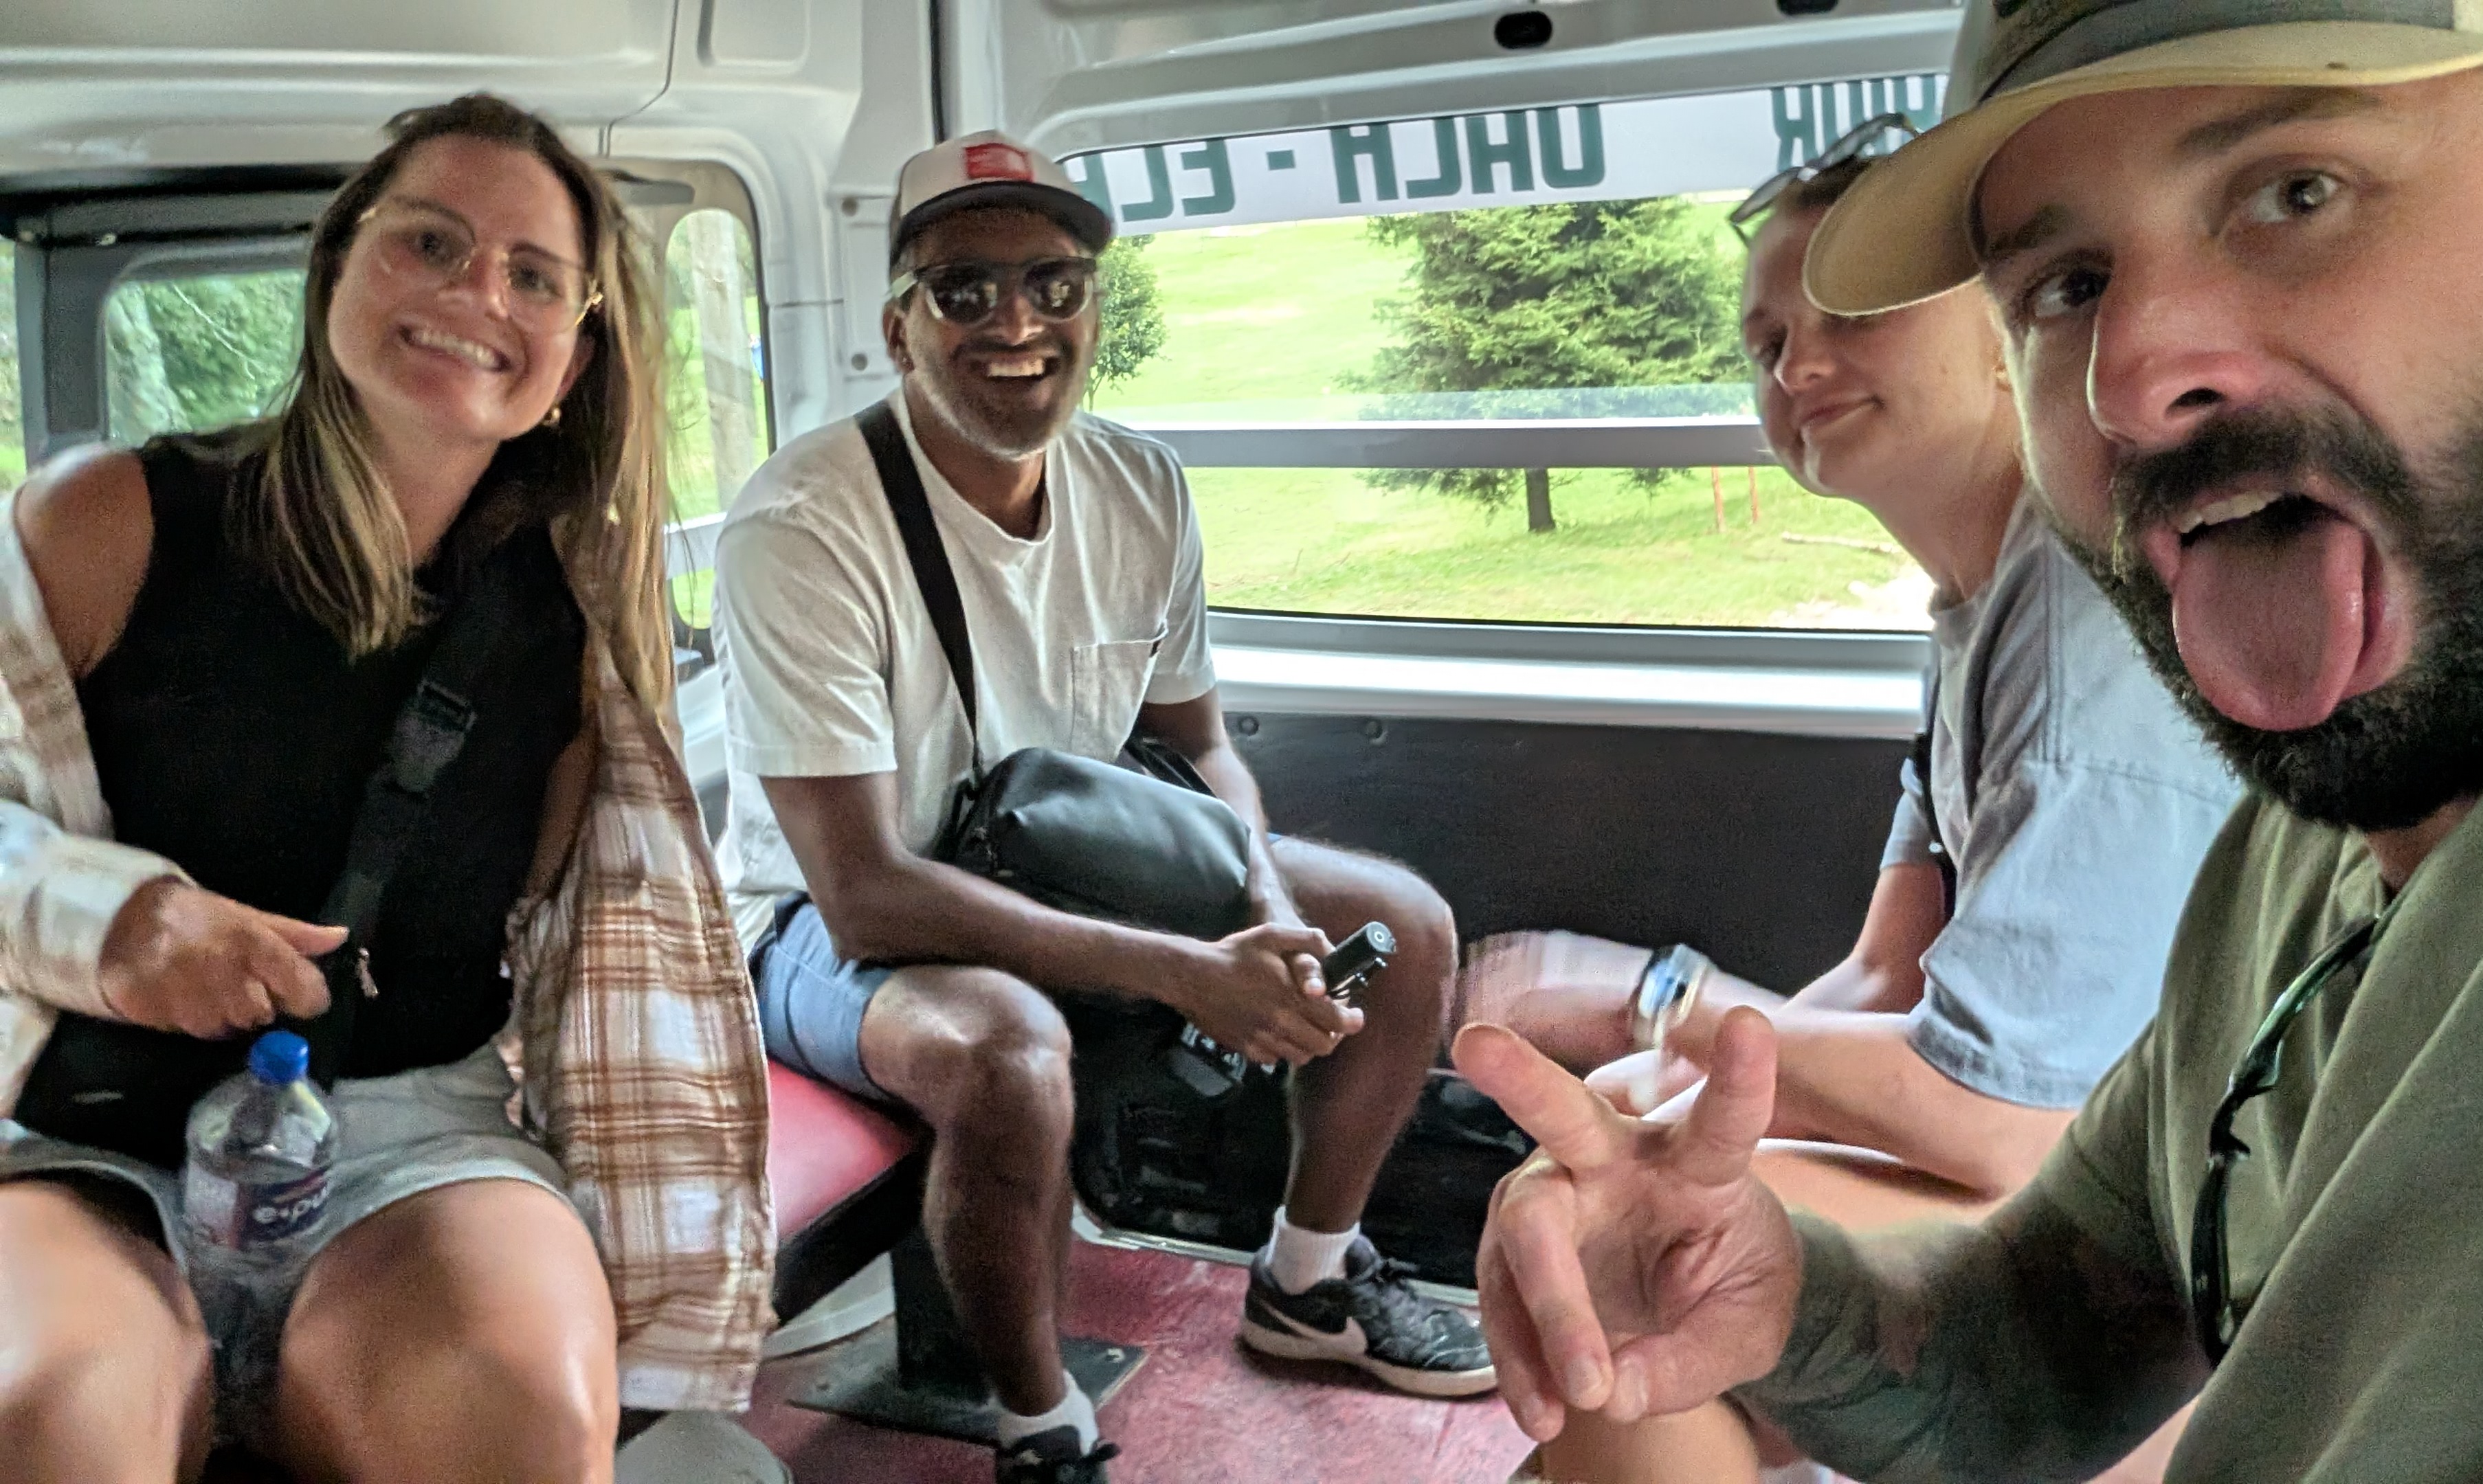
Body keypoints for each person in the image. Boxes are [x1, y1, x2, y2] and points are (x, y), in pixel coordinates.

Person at [1465, 1, 2483, 1478]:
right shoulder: (2281, 867)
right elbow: (2035, 1348)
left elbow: (1991, 1120)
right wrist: (1775, 1303)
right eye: (2068, 283)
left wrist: (1656, 1007)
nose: (2136, 371)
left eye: (2294, 193)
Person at [0, 93, 773, 1483]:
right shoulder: (104, 518)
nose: (477, 292)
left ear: (572, 358)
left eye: (534, 275)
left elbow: (560, 924)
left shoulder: (582, 617)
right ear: (340, 264)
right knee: (52, 1415)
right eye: (430, 240)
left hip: (410, 1128)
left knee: (521, 1427)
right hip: (78, 1126)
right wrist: (111, 921)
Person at [711, 131, 1490, 1483]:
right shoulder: (806, 524)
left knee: (1406, 929)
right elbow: (862, 888)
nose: (1017, 322)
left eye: (1054, 284)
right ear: (899, 329)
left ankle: (1306, 1282)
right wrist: (1189, 971)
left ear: (1093, 311)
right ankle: (1040, 1426)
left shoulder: (1142, 489)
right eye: (964, 291)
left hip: (1060, 856)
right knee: (1007, 1055)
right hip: (828, 924)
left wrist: (1255, 907)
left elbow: (1195, 749)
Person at [1480, 133, 2239, 1484]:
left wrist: (1661, 1003)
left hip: (2184, 1234)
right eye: (1769, 341)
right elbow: (1887, 967)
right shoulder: (1977, 609)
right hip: (2098, 1164)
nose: (1799, 369)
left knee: (1617, 1254)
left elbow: (1999, 1119)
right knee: (1625, 1143)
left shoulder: (2083, 630)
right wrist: (1666, 1078)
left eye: (1853, 316)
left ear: (2006, 327)